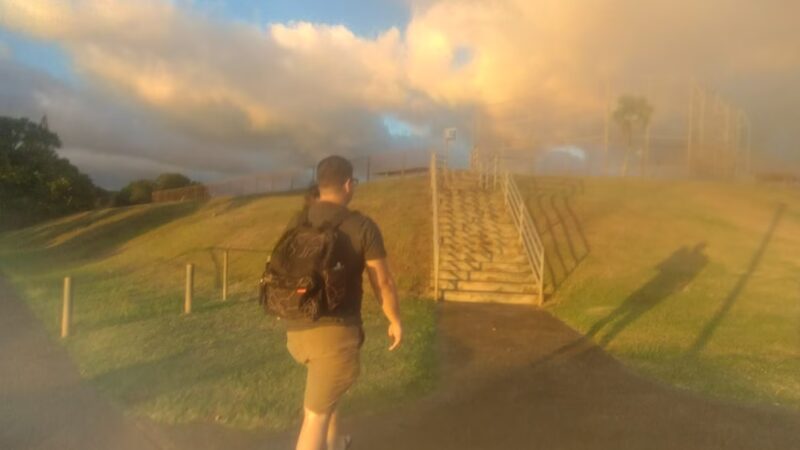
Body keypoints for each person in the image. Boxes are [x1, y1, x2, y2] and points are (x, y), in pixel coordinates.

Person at [283, 155, 402, 450]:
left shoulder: (298, 220)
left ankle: (335, 443)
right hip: (335, 335)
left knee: (326, 394)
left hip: (296, 327)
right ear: (349, 184)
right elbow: (383, 282)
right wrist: (394, 319)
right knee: (314, 418)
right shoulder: (362, 226)